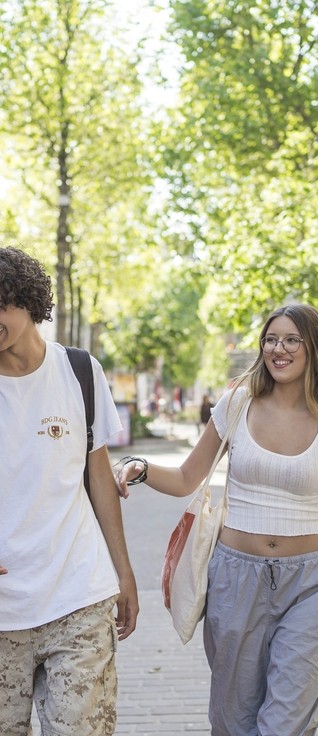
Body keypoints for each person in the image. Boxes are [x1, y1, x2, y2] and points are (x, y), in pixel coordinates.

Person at [116, 303, 318, 736]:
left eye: (291, 340)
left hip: (311, 586)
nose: (277, 349)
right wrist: (143, 469)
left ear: (314, 348)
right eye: (270, 339)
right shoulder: (238, 403)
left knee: (286, 723)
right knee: (233, 721)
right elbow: (189, 476)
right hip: (235, 579)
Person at [0, 246, 139, 736]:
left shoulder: (79, 372)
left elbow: (99, 477)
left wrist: (124, 572)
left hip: (78, 595)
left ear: (25, 300)